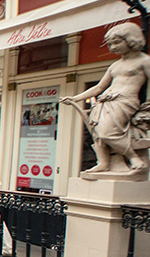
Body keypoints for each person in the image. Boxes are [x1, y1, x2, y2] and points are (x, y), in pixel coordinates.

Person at [61, 22, 150, 176]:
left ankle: (134, 159)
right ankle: (103, 163)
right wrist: (76, 98)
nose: (113, 47)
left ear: (131, 40)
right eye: (110, 44)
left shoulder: (144, 61)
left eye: (117, 42)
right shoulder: (115, 65)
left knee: (106, 132)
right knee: (97, 134)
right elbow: (99, 88)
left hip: (124, 101)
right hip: (105, 101)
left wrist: (147, 106)